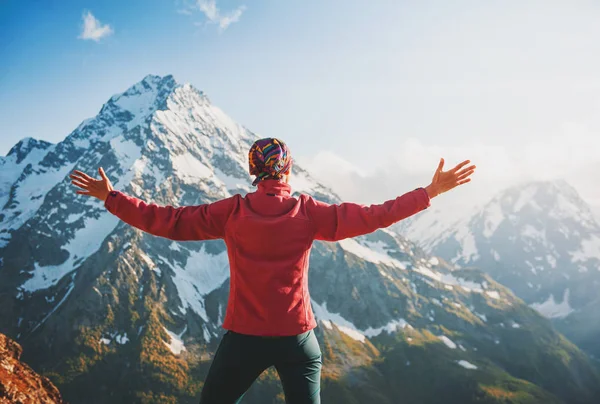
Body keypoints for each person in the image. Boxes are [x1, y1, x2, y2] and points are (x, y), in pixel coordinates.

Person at [69, 138, 475, 404]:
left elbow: (168, 221)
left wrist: (113, 198)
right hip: (299, 338)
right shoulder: (308, 212)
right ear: (287, 171)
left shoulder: (232, 212)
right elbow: (374, 216)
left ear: (254, 171)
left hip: (245, 337)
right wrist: (429, 192)